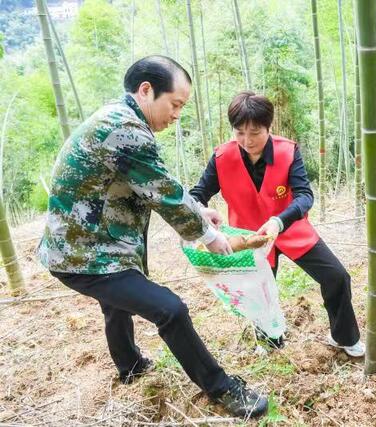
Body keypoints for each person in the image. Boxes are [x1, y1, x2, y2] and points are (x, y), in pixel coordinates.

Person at [37, 56, 267, 419]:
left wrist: (198, 210)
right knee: (170, 310)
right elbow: (164, 192)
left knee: (117, 303)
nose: (177, 115)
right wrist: (208, 235)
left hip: (84, 247)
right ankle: (222, 388)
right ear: (146, 91)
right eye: (175, 104)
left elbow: (155, 182)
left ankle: (130, 366)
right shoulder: (126, 129)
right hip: (86, 255)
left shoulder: (118, 117)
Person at [189, 91, 365, 357]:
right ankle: (271, 342)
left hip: (290, 230)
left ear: (269, 127)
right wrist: (201, 210)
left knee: (336, 276)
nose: (247, 141)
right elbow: (197, 194)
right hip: (250, 237)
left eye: (255, 132)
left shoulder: (288, 151)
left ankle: (343, 337)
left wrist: (278, 221)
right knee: (259, 292)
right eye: (239, 133)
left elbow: (305, 195)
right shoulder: (221, 158)